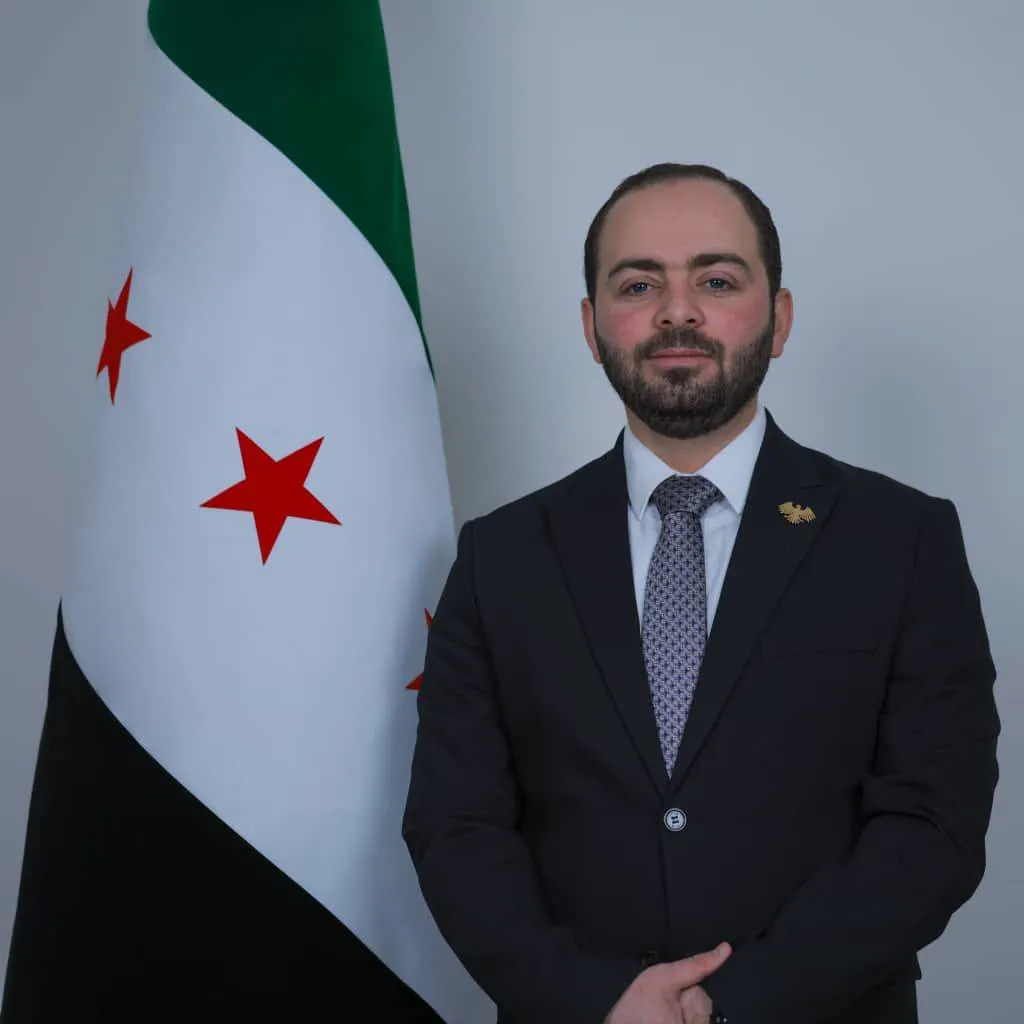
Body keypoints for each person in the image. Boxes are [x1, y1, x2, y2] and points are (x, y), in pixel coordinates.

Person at [402, 163, 1000, 1024]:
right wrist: (597, 999)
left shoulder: (902, 540)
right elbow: (456, 826)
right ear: (591, 326)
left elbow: (933, 824)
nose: (677, 312)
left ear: (779, 319)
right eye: (638, 284)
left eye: (716, 281)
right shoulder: (500, 556)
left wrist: (726, 1006)